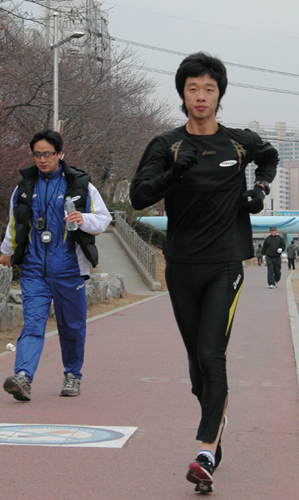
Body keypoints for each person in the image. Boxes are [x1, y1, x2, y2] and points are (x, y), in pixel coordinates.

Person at [129, 52, 278, 493]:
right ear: (182, 93)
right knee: (197, 368)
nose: (201, 96)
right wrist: (174, 175)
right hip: (182, 266)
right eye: (193, 88)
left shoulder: (238, 141)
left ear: (220, 94)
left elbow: (268, 157)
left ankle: (205, 451)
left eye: (209, 89)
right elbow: (138, 196)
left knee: (212, 355)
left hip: (226, 263)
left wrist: (261, 189)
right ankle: (218, 421)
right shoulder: (166, 145)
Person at [0, 129, 111, 402]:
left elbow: (104, 218)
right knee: (33, 324)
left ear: (60, 154)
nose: (41, 159)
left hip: (69, 268)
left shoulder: (80, 185)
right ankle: (23, 377)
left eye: (47, 154)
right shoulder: (24, 187)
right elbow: (16, 223)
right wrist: (6, 251)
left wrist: (84, 219)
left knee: (72, 326)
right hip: (34, 269)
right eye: (37, 154)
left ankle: (72, 375)